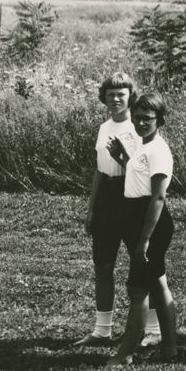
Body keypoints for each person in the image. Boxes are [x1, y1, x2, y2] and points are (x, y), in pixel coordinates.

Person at [74, 72, 161, 348]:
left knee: (142, 263)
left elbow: (142, 172)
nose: (115, 99)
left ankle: (154, 329)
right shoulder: (103, 128)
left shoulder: (139, 128)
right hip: (107, 199)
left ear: (130, 97)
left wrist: (123, 158)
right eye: (110, 94)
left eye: (121, 94)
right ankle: (102, 330)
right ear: (104, 97)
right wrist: (91, 209)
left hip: (132, 195)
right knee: (103, 263)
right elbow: (100, 170)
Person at [107, 92, 178, 366]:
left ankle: (125, 353)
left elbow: (158, 197)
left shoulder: (158, 149)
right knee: (157, 283)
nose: (140, 123)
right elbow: (140, 178)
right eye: (136, 118)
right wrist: (124, 158)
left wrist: (145, 240)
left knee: (138, 290)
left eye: (147, 119)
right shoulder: (143, 145)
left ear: (159, 120)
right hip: (138, 217)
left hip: (151, 222)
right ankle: (170, 348)